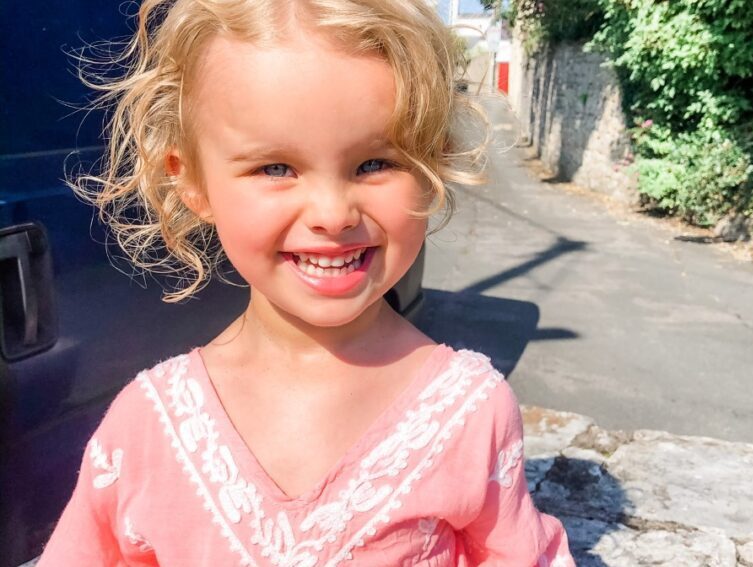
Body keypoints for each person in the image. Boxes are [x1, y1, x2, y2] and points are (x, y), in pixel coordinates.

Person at [39, 0, 573, 564]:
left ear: (432, 163)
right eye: (275, 168)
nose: (333, 213)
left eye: (375, 163)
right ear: (191, 181)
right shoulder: (148, 425)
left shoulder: (470, 410)